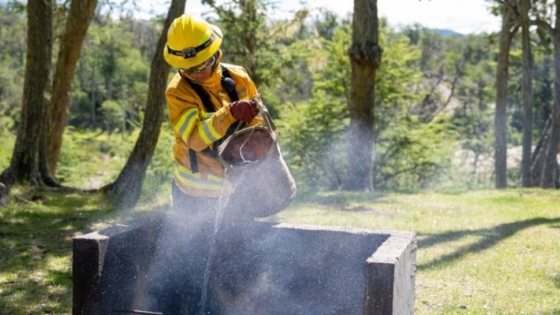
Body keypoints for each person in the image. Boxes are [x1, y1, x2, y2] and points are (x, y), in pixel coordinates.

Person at [163, 14, 262, 219]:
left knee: (241, 247)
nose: (197, 73)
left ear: (215, 53)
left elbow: (259, 126)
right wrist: (230, 112)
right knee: (194, 251)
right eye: (189, 69)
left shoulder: (239, 77)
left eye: (203, 64)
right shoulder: (178, 92)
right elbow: (195, 139)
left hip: (238, 189)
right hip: (194, 195)